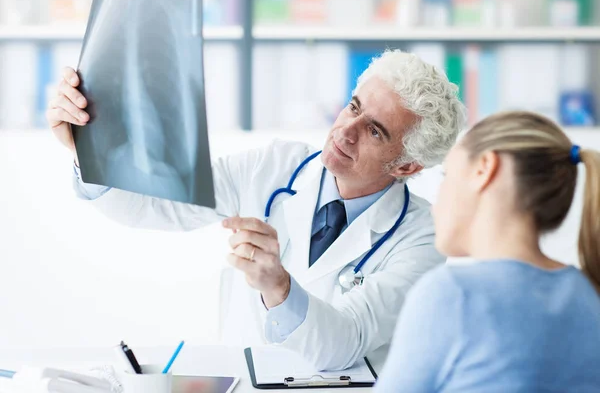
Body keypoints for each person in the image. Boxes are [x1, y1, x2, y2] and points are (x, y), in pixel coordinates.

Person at [46, 49, 465, 371]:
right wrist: (89, 149)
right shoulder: (271, 167)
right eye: (354, 107)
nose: (346, 131)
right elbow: (152, 206)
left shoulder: (423, 236)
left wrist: (279, 288)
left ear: (407, 165)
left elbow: (346, 342)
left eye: (374, 130)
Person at [375, 111, 600, 392]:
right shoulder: (587, 294)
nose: (435, 203)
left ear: (484, 168)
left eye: (447, 175)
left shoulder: (451, 295)